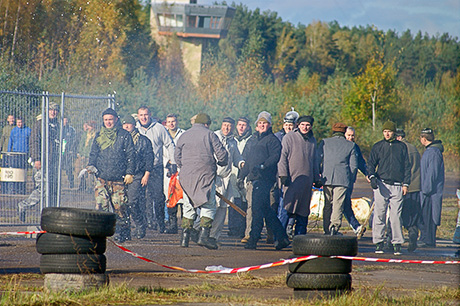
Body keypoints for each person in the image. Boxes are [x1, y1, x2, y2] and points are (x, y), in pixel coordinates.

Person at [175, 113, 228, 249]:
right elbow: (222, 156)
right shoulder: (210, 134)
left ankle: (184, 238)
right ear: (207, 124)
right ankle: (204, 237)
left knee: (188, 206)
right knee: (208, 206)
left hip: (186, 177)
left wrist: (185, 167)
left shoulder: (184, 135)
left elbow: (177, 156)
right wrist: (222, 162)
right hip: (205, 176)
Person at [238, 111, 290, 250]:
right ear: (256, 126)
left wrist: (263, 166)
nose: (262, 125)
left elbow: (275, 157)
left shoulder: (273, 140)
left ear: (269, 125)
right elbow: (247, 160)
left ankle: (253, 239)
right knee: (265, 210)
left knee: (257, 209)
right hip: (253, 179)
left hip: (264, 179)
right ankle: (282, 237)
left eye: (264, 123)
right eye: (259, 123)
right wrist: (241, 176)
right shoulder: (253, 140)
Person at [88, 108, 135, 242]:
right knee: (101, 207)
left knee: (120, 208)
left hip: (119, 179)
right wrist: (91, 165)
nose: (108, 122)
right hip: (102, 178)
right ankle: (101, 233)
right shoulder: (99, 135)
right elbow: (93, 153)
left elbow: (131, 155)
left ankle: (123, 232)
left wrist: (129, 173)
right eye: (106, 120)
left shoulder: (124, 135)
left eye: (111, 119)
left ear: (116, 119)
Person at [367, 121, 411, 255]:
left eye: (389, 131)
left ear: (394, 132)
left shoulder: (401, 147)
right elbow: (371, 164)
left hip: (397, 185)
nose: (387, 134)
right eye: (385, 131)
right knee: (379, 214)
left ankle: (397, 242)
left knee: (396, 216)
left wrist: (406, 184)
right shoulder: (378, 146)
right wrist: (372, 177)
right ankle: (378, 242)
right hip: (381, 184)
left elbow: (407, 167)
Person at [277, 115, 320, 236]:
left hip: (306, 183)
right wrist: (283, 175)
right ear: (298, 125)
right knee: (286, 209)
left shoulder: (312, 140)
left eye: (308, 125)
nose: (305, 127)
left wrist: (317, 178)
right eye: (303, 125)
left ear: (311, 126)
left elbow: (315, 161)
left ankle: (300, 239)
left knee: (303, 212)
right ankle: (279, 238)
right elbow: (282, 157)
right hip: (291, 181)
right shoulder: (289, 137)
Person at [136, 106, 176, 233]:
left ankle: (160, 222)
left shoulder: (159, 128)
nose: (144, 117)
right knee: (141, 197)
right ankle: (145, 223)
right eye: (141, 115)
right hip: (139, 169)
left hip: (155, 167)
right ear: (138, 116)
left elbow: (170, 144)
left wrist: (173, 162)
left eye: (146, 115)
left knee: (158, 197)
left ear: (150, 115)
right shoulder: (135, 129)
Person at [18, 103, 60, 221]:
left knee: (52, 190)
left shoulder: (57, 125)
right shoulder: (40, 124)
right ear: (47, 111)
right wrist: (36, 158)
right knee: (42, 188)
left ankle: (50, 216)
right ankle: (23, 205)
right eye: (51, 110)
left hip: (54, 163)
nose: (53, 112)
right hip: (41, 162)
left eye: (55, 110)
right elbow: (34, 142)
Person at [318, 122, 357, 236]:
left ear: (333, 131)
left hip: (326, 177)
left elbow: (318, 159)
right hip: (342, 179)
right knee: (338, 204)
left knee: (327, 204)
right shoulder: (350, 145)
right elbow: (353, 166)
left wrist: (319, 174)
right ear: (344, 132)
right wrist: (350, 179)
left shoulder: (325, 142)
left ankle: (326, 228)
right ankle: (334, 228)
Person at [210, 117, 244, 243]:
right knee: (210, 207)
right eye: (224, 125)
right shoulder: (214, 137)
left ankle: (214, 237)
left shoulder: (233, 141)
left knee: (222, 209)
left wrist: (241, 163)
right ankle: (201, 232)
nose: (226, 128)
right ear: (221, 125)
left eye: (229, 126)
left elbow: (237, 158)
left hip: (226, 179)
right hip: (213, 179)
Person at [122, 115, 154, 239]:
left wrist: (146, 174)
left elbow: (149, 159)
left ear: (134, 125)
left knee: (133, 202)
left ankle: (140, 224)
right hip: (123, 174)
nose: (126, 126)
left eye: (128, 124)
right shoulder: (120, 139)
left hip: (137, 174)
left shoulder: (143, 140)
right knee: (123, 203)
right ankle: (126, 228)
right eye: (124, 124)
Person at [395, 129, 421, 252]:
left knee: (399, 214)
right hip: (415, 187)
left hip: (403, 187)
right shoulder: (414, 148)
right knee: (413, 215)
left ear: (399, 137)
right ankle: (413, 234)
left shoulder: (400, 149)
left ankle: (394, 241)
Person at [419, 128, 445, 248]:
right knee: (425, 217)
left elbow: (432, 173)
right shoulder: (430, 151)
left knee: (429, 218)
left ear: (424, 139)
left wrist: (426, 190)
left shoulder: (434, 152)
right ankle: (425, 238)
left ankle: (428, 240)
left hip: (430, 193)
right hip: (427, 191)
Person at [163, 113, 186, 234]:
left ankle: (185, 225)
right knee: (170, 197)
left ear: (177, 122)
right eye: (169, 122)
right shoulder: (163, 134)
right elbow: (158, 150)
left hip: (181, 169)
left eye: (173, 121)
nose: (171, 124)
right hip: (168, 170)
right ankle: (172, 225)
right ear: (166, 123)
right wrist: (167, 162)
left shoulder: (184, 134)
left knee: (182, 197)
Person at [344, 126, 368, 236]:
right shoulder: (340, 146)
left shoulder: (355, 147)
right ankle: (355, 225)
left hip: (350, 181)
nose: (350, 137)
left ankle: (355, 226)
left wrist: (368, 174)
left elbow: (361, 163)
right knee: (342, 204)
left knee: (346, 203)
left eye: (352, 135)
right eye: (348, 135)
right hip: (339, 180)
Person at [233, 117, 253, 241]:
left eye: (244, 125)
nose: (241, 127)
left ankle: (244, 229)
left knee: (245, 202)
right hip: (232, 174)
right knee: (232, 201)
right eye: (239, 124)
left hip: (246, 174)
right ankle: (233, 228)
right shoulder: (232, 139)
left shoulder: (251, 140)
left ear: (248, 127)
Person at [7, 116, 31, 194]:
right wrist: (8, 152)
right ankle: (14, 189)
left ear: (24, 122)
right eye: (18, 122)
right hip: (15, 153)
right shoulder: (14, 130)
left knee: (23, 172)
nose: (19, 124)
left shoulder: (28, 130)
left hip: (24, 154)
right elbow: (10, 141)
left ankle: (22, 189)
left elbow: (30, 142)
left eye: (21, 122)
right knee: (16, 172)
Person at [77, 120, 97, 192]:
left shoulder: (95, 135)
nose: (88, 127)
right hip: (83, 156)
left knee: (90, 172)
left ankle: (90, 187)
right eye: (88, 126)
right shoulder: (85, 134)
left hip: (90, 156)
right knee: (82, 171)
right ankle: (82, 185)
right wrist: (80, 153)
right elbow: (81, 143)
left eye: (90, 126)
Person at [62, 117, 78, 188]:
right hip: (59, 151)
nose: (65, 122)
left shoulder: (71, 130)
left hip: (68, 151)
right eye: (64, 121)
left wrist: (71, 150)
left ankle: (71, 182)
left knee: (69, 168)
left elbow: (74, 141)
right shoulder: (59, 128)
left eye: (66, 121)